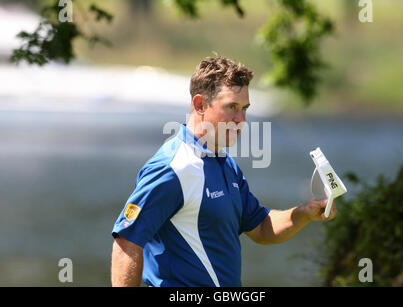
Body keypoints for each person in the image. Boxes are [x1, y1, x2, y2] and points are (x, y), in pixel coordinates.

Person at [110, 56, 337, 287]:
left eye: (244, 109)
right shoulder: (172, 168)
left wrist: (304, 213)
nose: (241, 120)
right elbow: (126, 243)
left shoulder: (225, 163)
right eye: (231, 107)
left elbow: (260, 228)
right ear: (200, 105)